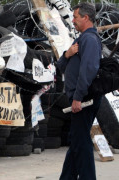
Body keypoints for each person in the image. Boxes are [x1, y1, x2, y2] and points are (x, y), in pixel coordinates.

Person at [56, 2, 102, 180]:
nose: (73, 20)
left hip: (84, 99)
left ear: (86, 18)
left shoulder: (89, 39)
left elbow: (88, 71)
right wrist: (67, 55)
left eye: (75, 17)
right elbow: (61, 66)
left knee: (81, 143)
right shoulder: (81, 39)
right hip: (79, 98)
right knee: (76, 140)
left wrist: (78, 97)